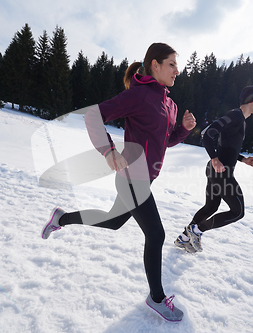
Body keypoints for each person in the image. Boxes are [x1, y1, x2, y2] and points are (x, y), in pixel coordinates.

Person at [40, 43, 196, 322]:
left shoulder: (169, 103)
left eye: (177, 64)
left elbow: (166, 140)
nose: (177, 70)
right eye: (171, 64)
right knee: (156, 234)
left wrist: (183, 129)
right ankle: (157, 298)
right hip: (132, 178)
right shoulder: (139, 95)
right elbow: (93, 116)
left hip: (144, 179)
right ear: (155, 65)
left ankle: (61, 218)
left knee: (112, 221)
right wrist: (109, 150)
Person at [174, 85, 253, 253]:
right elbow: (207, 134)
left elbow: (229, 149)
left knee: (211, 207)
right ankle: (196, 231)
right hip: (221, 172)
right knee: (238, 212)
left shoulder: (241, 121)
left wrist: (243, 159)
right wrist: (215, 159)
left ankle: (184, 239)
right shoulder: (235, 115)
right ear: (252, 100)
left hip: (218, 170)